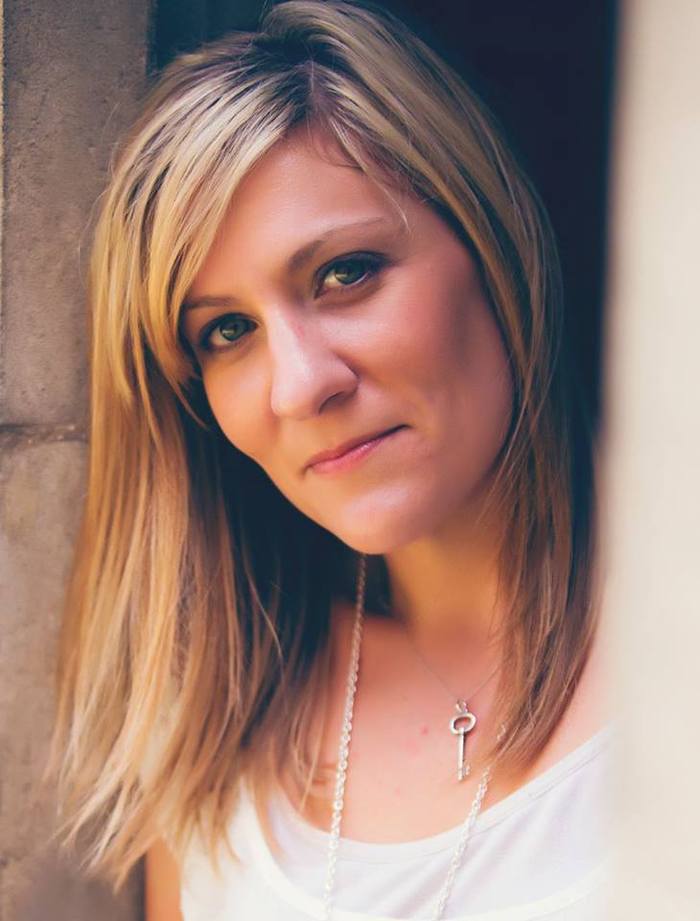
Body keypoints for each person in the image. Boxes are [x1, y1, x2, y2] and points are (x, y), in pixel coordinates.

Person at [45, 1, 612, 919]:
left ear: (492, 239)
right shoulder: (214, 741)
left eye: (345, 272)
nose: (300, 385)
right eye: (228, 331)